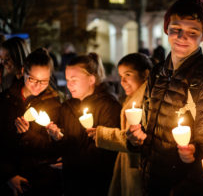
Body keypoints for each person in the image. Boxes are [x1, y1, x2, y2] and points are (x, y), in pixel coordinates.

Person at [126, 0, 203, 195]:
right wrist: (134, 140)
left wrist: (182, 190)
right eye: (176, 29)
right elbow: (147, 129)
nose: (182, 37)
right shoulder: (157, 72)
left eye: (192, 32)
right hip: (151, 181)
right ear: (166, 29)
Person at [47, 53, 122, 196]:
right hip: (72, 184)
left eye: (74, 79)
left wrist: (71, 162)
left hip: (99, 184)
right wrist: (57, 137)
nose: (69, 84)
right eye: (68, 79)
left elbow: (107, 150)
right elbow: (66, 146)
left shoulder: (109, 106)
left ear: (91, 79)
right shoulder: (67, 107)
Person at [86, 53, 152, 196]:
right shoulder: (134, 98)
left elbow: (134, 138)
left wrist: (102, 134)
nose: (122, 81)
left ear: (145, 74)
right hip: (130, 169)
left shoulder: (146, 101)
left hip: (140, 171)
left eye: (128, 74)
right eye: (121, 76)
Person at [0, 48, 63, 196]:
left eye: (43, 81)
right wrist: (8, 175)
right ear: (23, 71)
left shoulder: (55, 104)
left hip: (43, 181)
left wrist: (57, 137)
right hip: (12, 179)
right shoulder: (5, 100)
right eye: (32, 79)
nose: (37, 85)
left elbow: (58, 149)